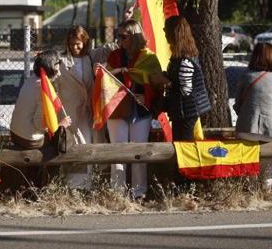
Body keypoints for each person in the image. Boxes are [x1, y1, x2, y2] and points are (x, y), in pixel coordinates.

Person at [105, 19, 162, 199]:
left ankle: (139, 193)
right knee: (117, 152)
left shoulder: (149, 57)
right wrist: (121, 70)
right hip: (117, 110)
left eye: (123, 36)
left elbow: (158, 84)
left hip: (141, 111)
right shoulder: (114, 56)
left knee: (139, 153)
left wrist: (146, 95)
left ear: (135, 36)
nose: (119, 39)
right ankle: (117, 193)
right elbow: (105, 81)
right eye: (118, 35)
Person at [58, 25, 116, 188]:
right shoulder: (60, 60)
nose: (74, 47)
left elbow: (110, 47)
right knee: (75, 145)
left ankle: (93, 184)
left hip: (90, 111)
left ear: (85, 41)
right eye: (71, 44)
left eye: (78, 44)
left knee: (92, 144)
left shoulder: (90, 57)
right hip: (71, 112)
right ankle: (76, 187)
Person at [234, 42, 272, 191]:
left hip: (246, 129)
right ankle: (266, 190)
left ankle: (250, 190)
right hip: (271, 130)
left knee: (249, 160)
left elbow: (237, 106)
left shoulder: (246, 77)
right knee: (268, 164)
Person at [158, 16, 211, 141]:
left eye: (166, 30)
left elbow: (186, 90)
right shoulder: (180, 57)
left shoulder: (185, 60)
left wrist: (165, 81)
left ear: (174, 33)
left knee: (184, 147)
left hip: (187, 112)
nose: (164, 32)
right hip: (182, 111)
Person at [9, 49, 72, 150]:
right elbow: (39, 124)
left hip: (15, 132)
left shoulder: (31, 80)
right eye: (57, 66)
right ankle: (56, 165)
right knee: (66, 139)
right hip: (29, 139)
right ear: (50, 67)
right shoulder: (43, 89)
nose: (59, 73)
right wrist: (61, 125)